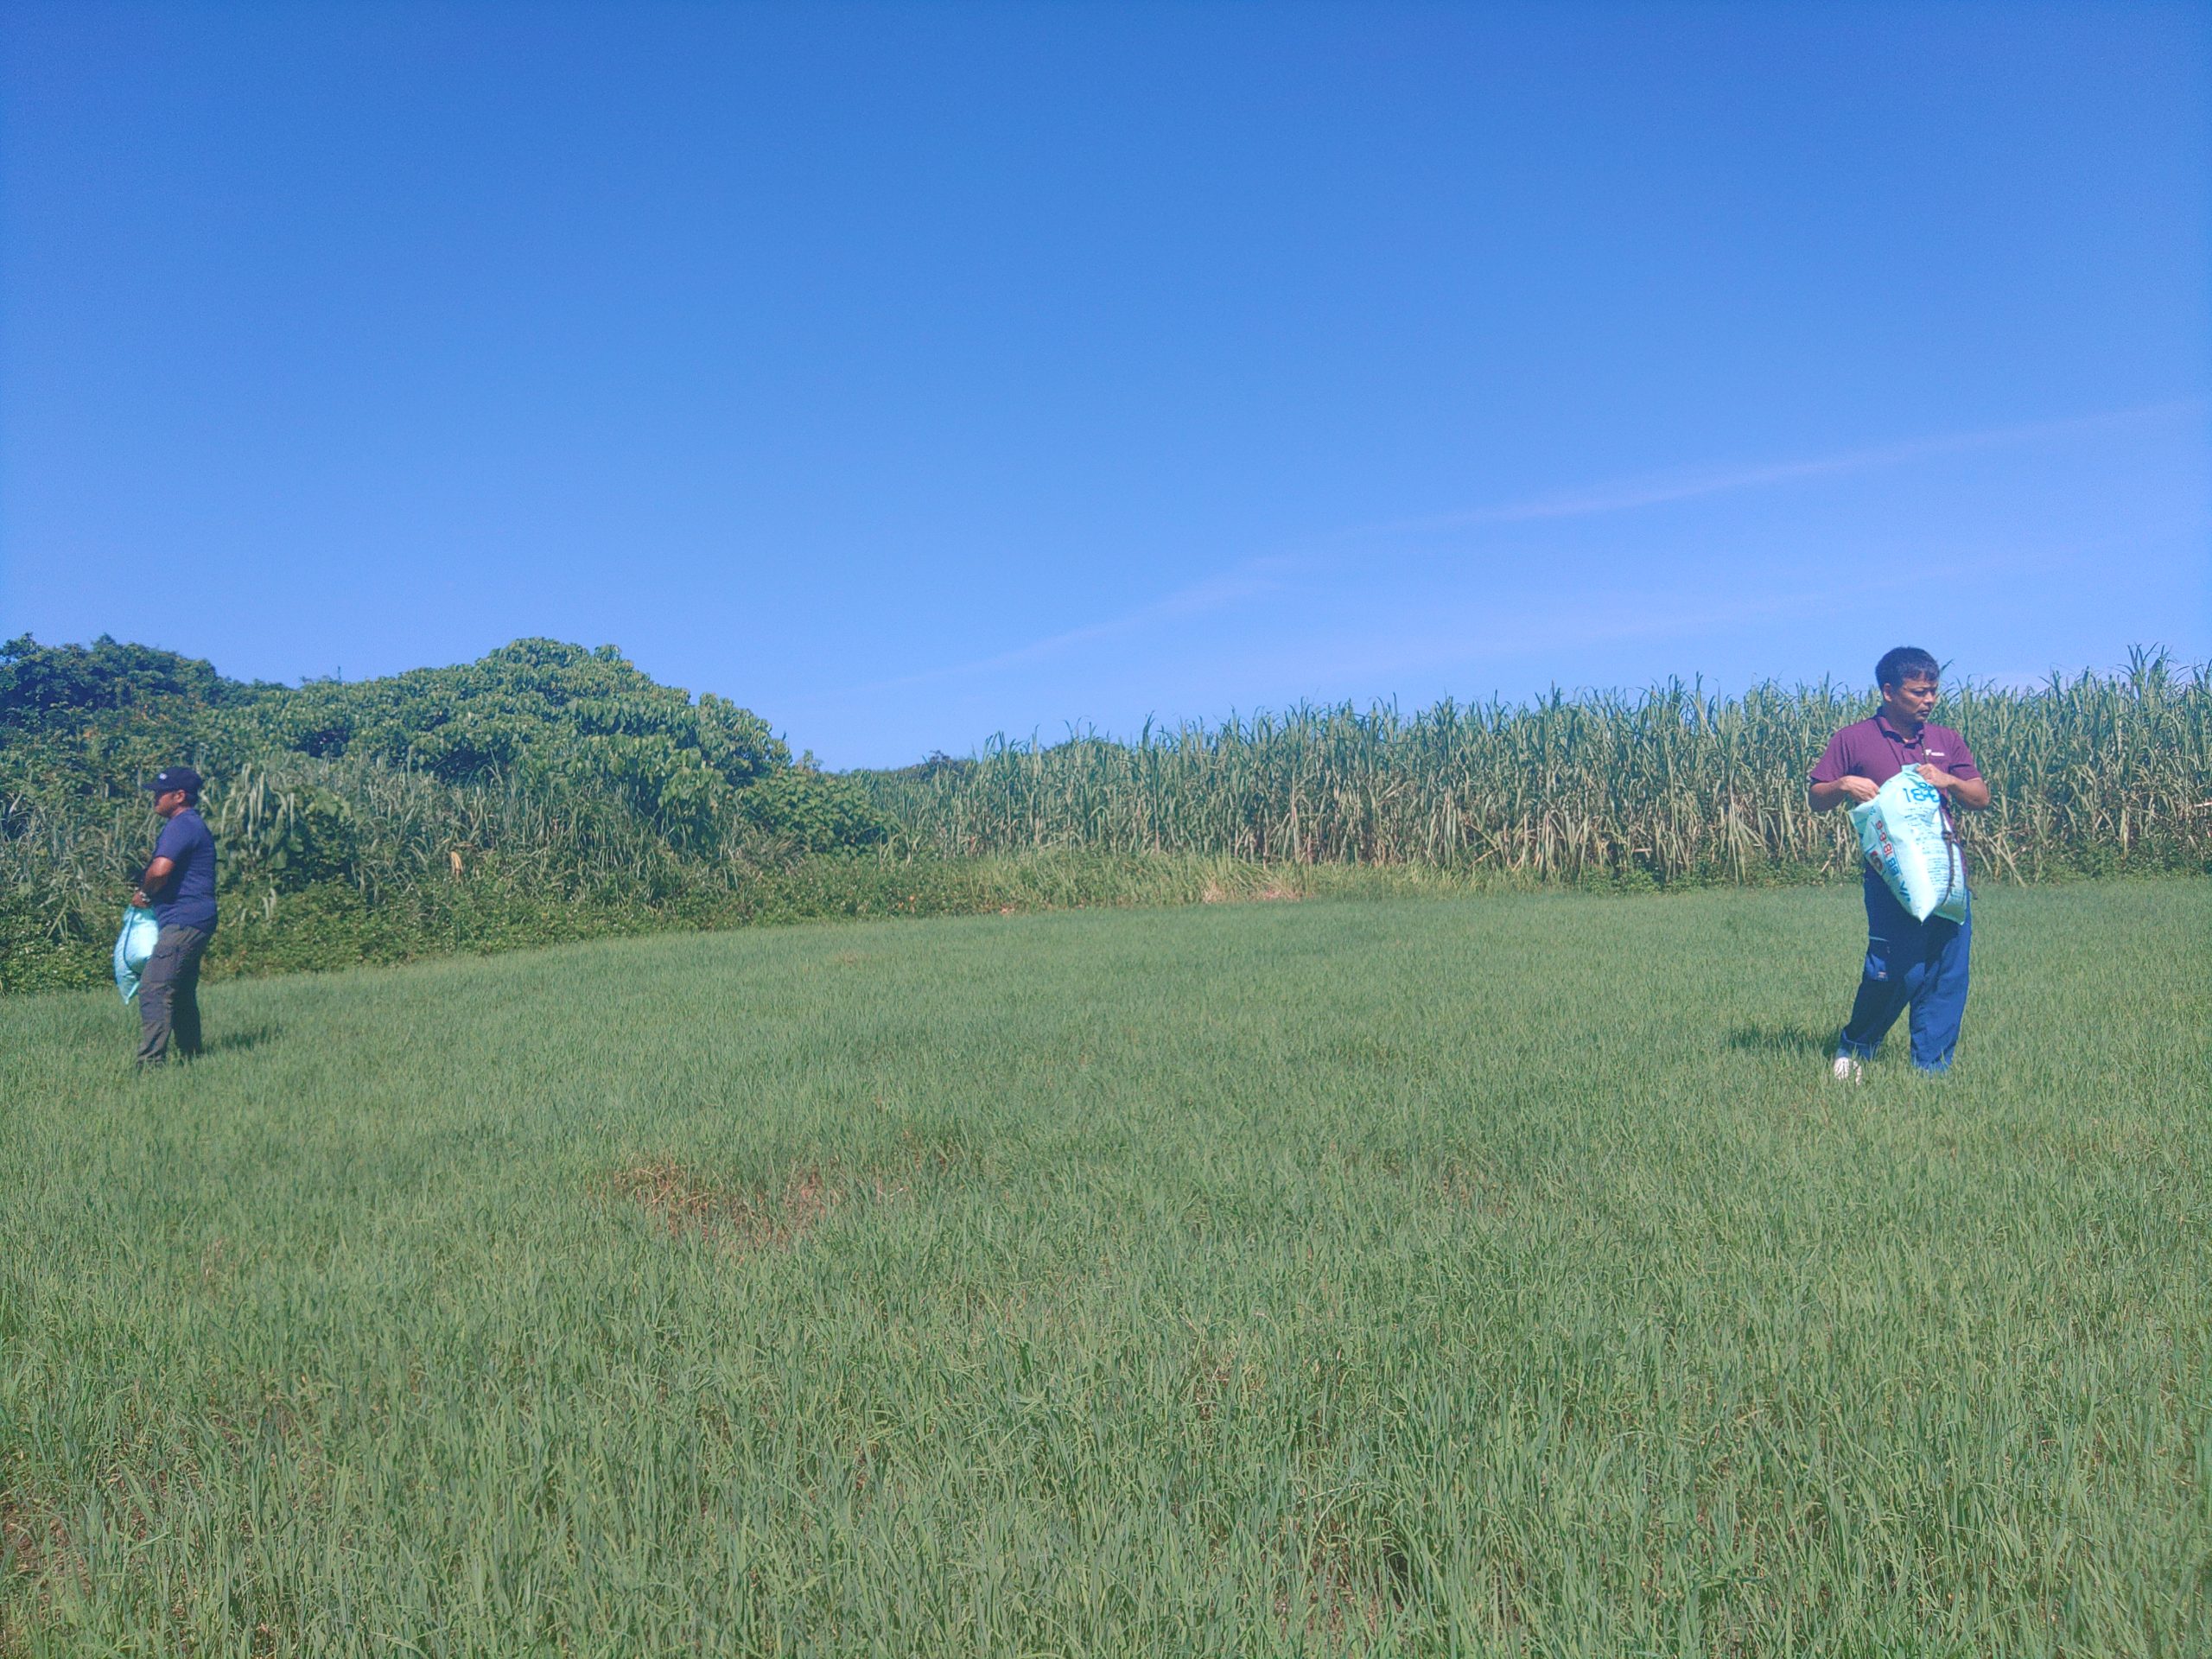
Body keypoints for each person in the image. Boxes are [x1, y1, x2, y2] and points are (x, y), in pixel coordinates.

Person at [1808, 647, 1991, 1079]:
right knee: (1896, 971)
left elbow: (1981, 797)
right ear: (1888, 691)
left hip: (1947, 875)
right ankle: (1856, 1047)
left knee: (1946, 974)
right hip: (1891, 878)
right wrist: (1843, 783)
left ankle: (1932, 1071)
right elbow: (1816, 797)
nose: (1929, 700)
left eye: (1933, 691)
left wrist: (1948, 780)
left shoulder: (1945, 740)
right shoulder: (1853, 739)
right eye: (1918, 692)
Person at [131, 766, 218, 1065]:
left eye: (160, 792)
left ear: (179, 796)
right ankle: (192, 1057)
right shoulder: (192, 824)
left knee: (154, 989)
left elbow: (160, 870)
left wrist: (144, 894)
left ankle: (150, 1064)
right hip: (196, 917)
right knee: (179, 991)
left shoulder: (181, 825)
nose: (155, 797)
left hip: (184, 919)